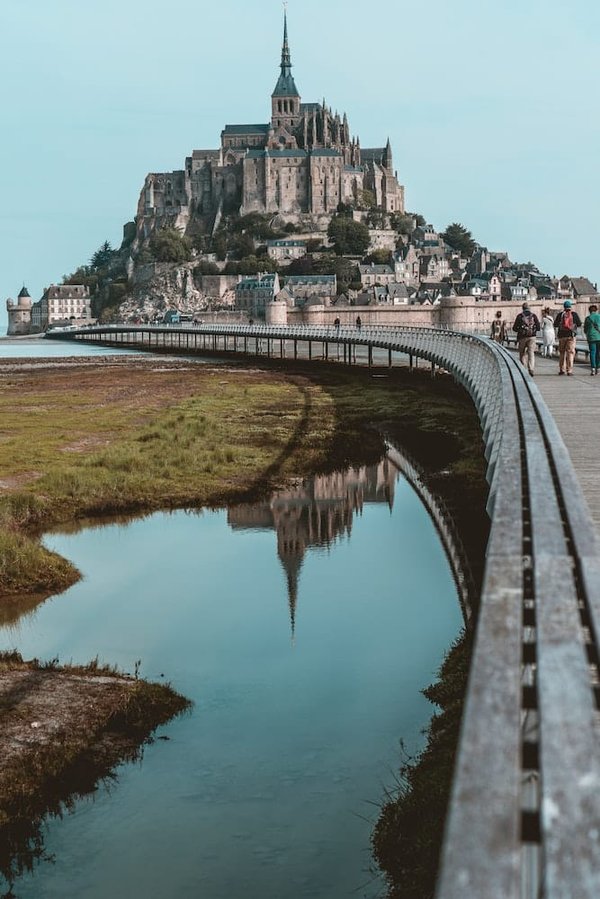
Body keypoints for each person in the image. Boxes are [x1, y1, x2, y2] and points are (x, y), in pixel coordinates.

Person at [554, 300, 582, 376]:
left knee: (562, 353)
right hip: (571, 336)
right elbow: (579, 324)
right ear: (570, 307)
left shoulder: (560, 315)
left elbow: (555, 324)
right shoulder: (574, 314)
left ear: (564, 307)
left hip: (562, 336)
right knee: (570, 353)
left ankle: (561, 369)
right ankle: (569, 370)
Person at [512, 302, 540, 376]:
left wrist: (520, 330)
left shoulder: (520, 316)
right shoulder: (533, 316)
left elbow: (514, 328)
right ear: (529, 308)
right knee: (531, 353)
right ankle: (531, 369)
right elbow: (538, 327)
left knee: (522, 353)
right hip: (532, 337)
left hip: (522, 337)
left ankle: (522, 369)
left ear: (522, 308)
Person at [583, 303, 600, 375]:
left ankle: (593, 368)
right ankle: (598, 368)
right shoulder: (599, 317)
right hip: (599, 337)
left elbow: (585, 330)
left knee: (592, 352)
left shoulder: (587, 318)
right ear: (596, 310)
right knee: (598, 353)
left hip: (591, 337)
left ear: (589, 311)